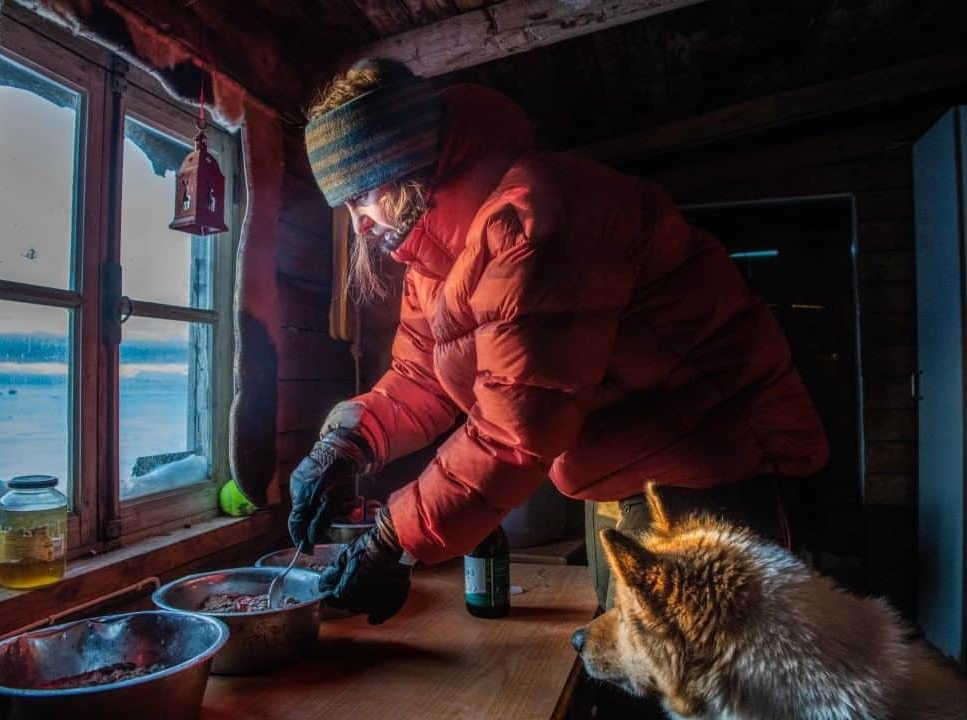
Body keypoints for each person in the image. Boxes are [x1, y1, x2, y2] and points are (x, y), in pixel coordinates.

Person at [290, 57, 829, 628]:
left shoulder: (531, 216)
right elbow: (420, 376)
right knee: (632, 676)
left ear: (406, 167)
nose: (360, 224)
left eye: (362, 196)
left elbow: (515, 427)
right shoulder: (434, 257)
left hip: (714, 477)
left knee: (715, 694)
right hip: (622, 478)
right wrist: (347, 443)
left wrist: (392, 538)